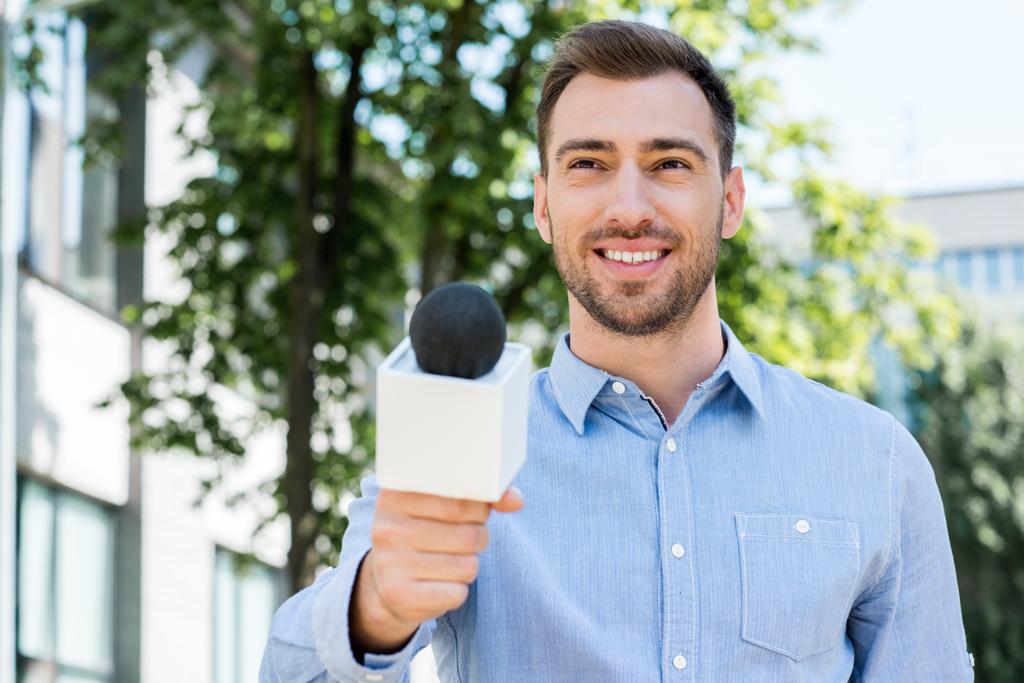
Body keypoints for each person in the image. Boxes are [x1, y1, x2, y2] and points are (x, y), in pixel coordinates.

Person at [260, 19, 974, 682]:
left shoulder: (874, 462)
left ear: (729, 201)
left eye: (668, 164)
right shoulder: (460, 449)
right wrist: (374, 610)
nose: (628, 206)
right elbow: (289, 666)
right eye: (588, 165)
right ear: (543, 205)